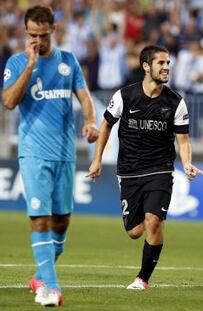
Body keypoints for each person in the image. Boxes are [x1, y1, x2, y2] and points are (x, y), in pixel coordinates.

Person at [2, 5, 99, 307]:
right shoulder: (17, 62)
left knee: (61, 223)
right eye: (32, 35)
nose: (37, 41)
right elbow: (8, 102)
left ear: (53, 31)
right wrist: (30, 66)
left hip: (65, 154)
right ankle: (51, 288)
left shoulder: (68, 61)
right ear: (25, 32)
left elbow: (83, 96)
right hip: (33, 154)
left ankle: (39, 276)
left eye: (42, 35)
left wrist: (90, 121)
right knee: (40, 219)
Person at [87, 44, 203, 290]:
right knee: (134, 231)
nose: (166, 68)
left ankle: (142, 279)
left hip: (160, 169)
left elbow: (183, 139)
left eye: (168, 63)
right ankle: (145, 239)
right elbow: (106, 125)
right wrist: (97, 159)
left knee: (153, 222)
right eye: (161, 63)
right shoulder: (124, 96)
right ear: (146, 66)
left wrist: (186, 163)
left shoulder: (175, 102)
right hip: (129, 171)